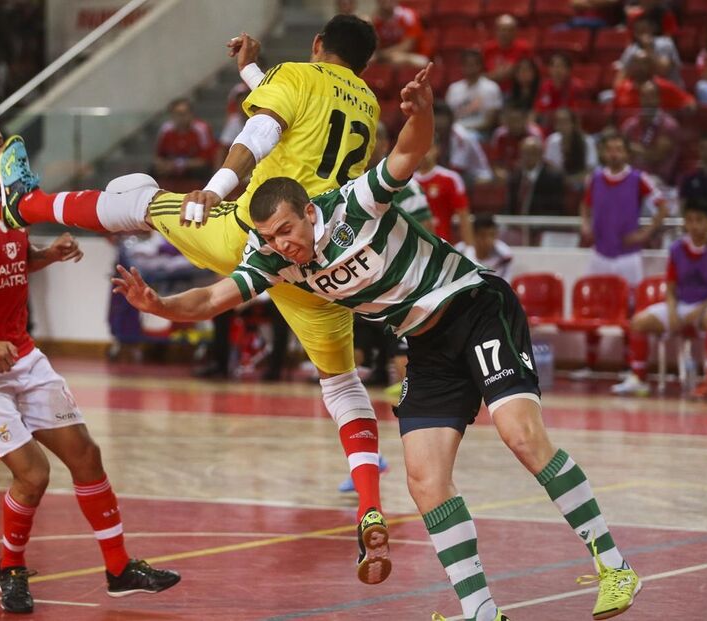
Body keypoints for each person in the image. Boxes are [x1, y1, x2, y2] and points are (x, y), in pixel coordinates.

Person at [111, 68, 641, 621]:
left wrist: (422, 113)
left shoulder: (354, 203)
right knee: (424, 480)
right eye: (269, 238)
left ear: (309, 211)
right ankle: (481, 613)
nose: (282, 244)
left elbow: (407, 156)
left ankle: (614, 563)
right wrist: (163, 306)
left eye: (288, 230)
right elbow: (215, 298)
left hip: (473, 305)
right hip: (426, 344)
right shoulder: (272, 259)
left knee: (520, 435)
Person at [0, 16, 394, 585]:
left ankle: (26, 205)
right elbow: (301, 118)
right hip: (322, 259)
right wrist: (253, 70)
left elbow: (262, 130)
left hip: (256, 233)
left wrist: (216, 187)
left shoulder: (298, 76)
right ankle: (368, 506)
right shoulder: (368, 105)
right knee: (340, 383)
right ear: (364, 65)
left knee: (139, 195)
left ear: (315, 46)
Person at [0, 112, 180, 614]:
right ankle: (10, 567)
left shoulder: (12, 208)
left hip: (22, 355)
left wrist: (44, 254)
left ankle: (120, 569)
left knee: (86, 455)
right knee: (34, 476)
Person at [611, 202, 707, 397]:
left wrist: (699, 310)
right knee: (638, 322)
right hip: (680, 304)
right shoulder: (677, 248)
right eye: (690, 221)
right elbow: (670, 288)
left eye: (699, 221)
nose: (694, 226)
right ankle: (638, 378)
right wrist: (671, 310)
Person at [581, 134, 667, 289]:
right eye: (609, 150)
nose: (614, 154)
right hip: (599, 253)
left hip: (628, 256)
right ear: (603, 153)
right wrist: (585, 224)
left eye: (619, 150)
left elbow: (663, 208)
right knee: (597, 301)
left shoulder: (639, 179)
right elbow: (585, 205)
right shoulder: (595, 178)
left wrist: (645, 233)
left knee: (631, 303)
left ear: (627, 154)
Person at [413, 141, 474, 245]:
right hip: (413, 246)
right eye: (421, 148)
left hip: (442, 246)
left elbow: (463, 216)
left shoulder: (450, 179)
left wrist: (470, 249)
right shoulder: (407, 181)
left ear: (437, 149)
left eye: (429, 148)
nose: (425, 153)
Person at [152, 97, 217, 193]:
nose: (181, 118)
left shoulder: (201, 129)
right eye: (177, 114)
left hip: (193, 167)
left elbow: (205, 160)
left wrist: (179, 165)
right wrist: (164, 165)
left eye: (184, 114)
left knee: (203, 171)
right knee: (153, 171)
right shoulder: (166, 129)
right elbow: (158, 157)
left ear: (191, 114)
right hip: (171, 167)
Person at [445, 49, 504, 138]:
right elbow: (449, 116)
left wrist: (464, 129)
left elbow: (490, 121)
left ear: (480, 66)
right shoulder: (454, 88)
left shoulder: (491, 88)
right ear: (462, 66)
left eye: (473, 64)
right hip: (456, 131)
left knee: (467, 137)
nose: (470, 68)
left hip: (480, 133)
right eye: (466, 64)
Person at [482, 14, 534, 94]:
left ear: (515, 32)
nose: (505, 33)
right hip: (490, 92)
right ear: (496, 31)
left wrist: (514, 72)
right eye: (502, 30)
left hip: (516, 92)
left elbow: (533, 74)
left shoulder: (524, 48)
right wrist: (495, 76)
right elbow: (478, 75)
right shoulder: (487, 49)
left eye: (509, 30)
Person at [454, 214, 513, 281]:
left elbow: (505, 284)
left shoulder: (504, 255)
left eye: (491, 235)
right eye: (483, 235)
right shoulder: (459, 251)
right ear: (473, 235)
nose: (488, 240)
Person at [678, 133, 707, 220]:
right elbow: (683, 207)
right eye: (702, 148)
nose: (705, 152)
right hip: (696, 227)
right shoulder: (689, 178)